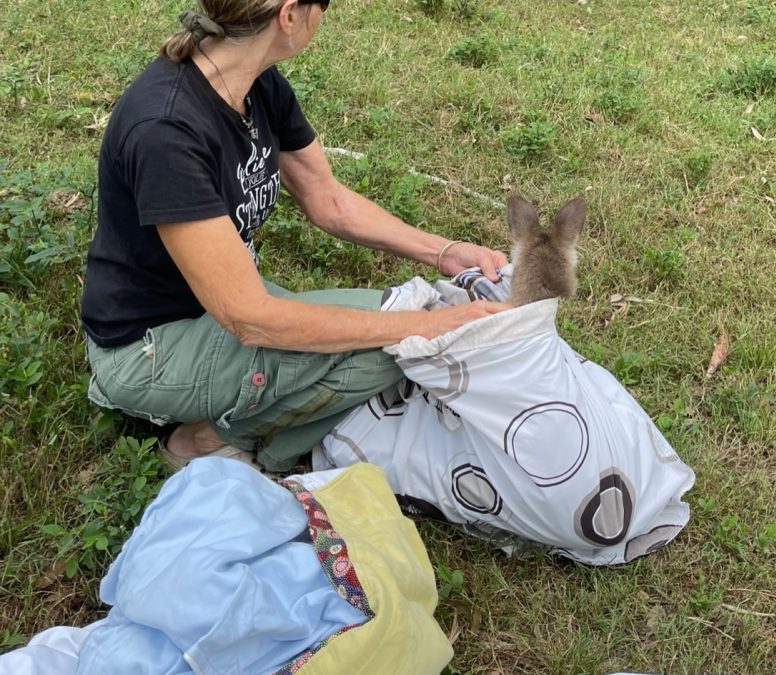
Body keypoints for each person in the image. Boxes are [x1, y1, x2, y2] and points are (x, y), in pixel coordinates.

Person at [80, 0, 511, 473]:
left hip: (222, 301)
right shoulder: (166, 130)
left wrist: (443, 251)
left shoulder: (256, 84)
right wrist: (425, 327)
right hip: (148, 345)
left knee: (397, 331)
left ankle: (264, 421)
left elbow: (328, 200)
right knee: (399, 348)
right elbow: (250, 318)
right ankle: (206, 441)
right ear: (289, 15)